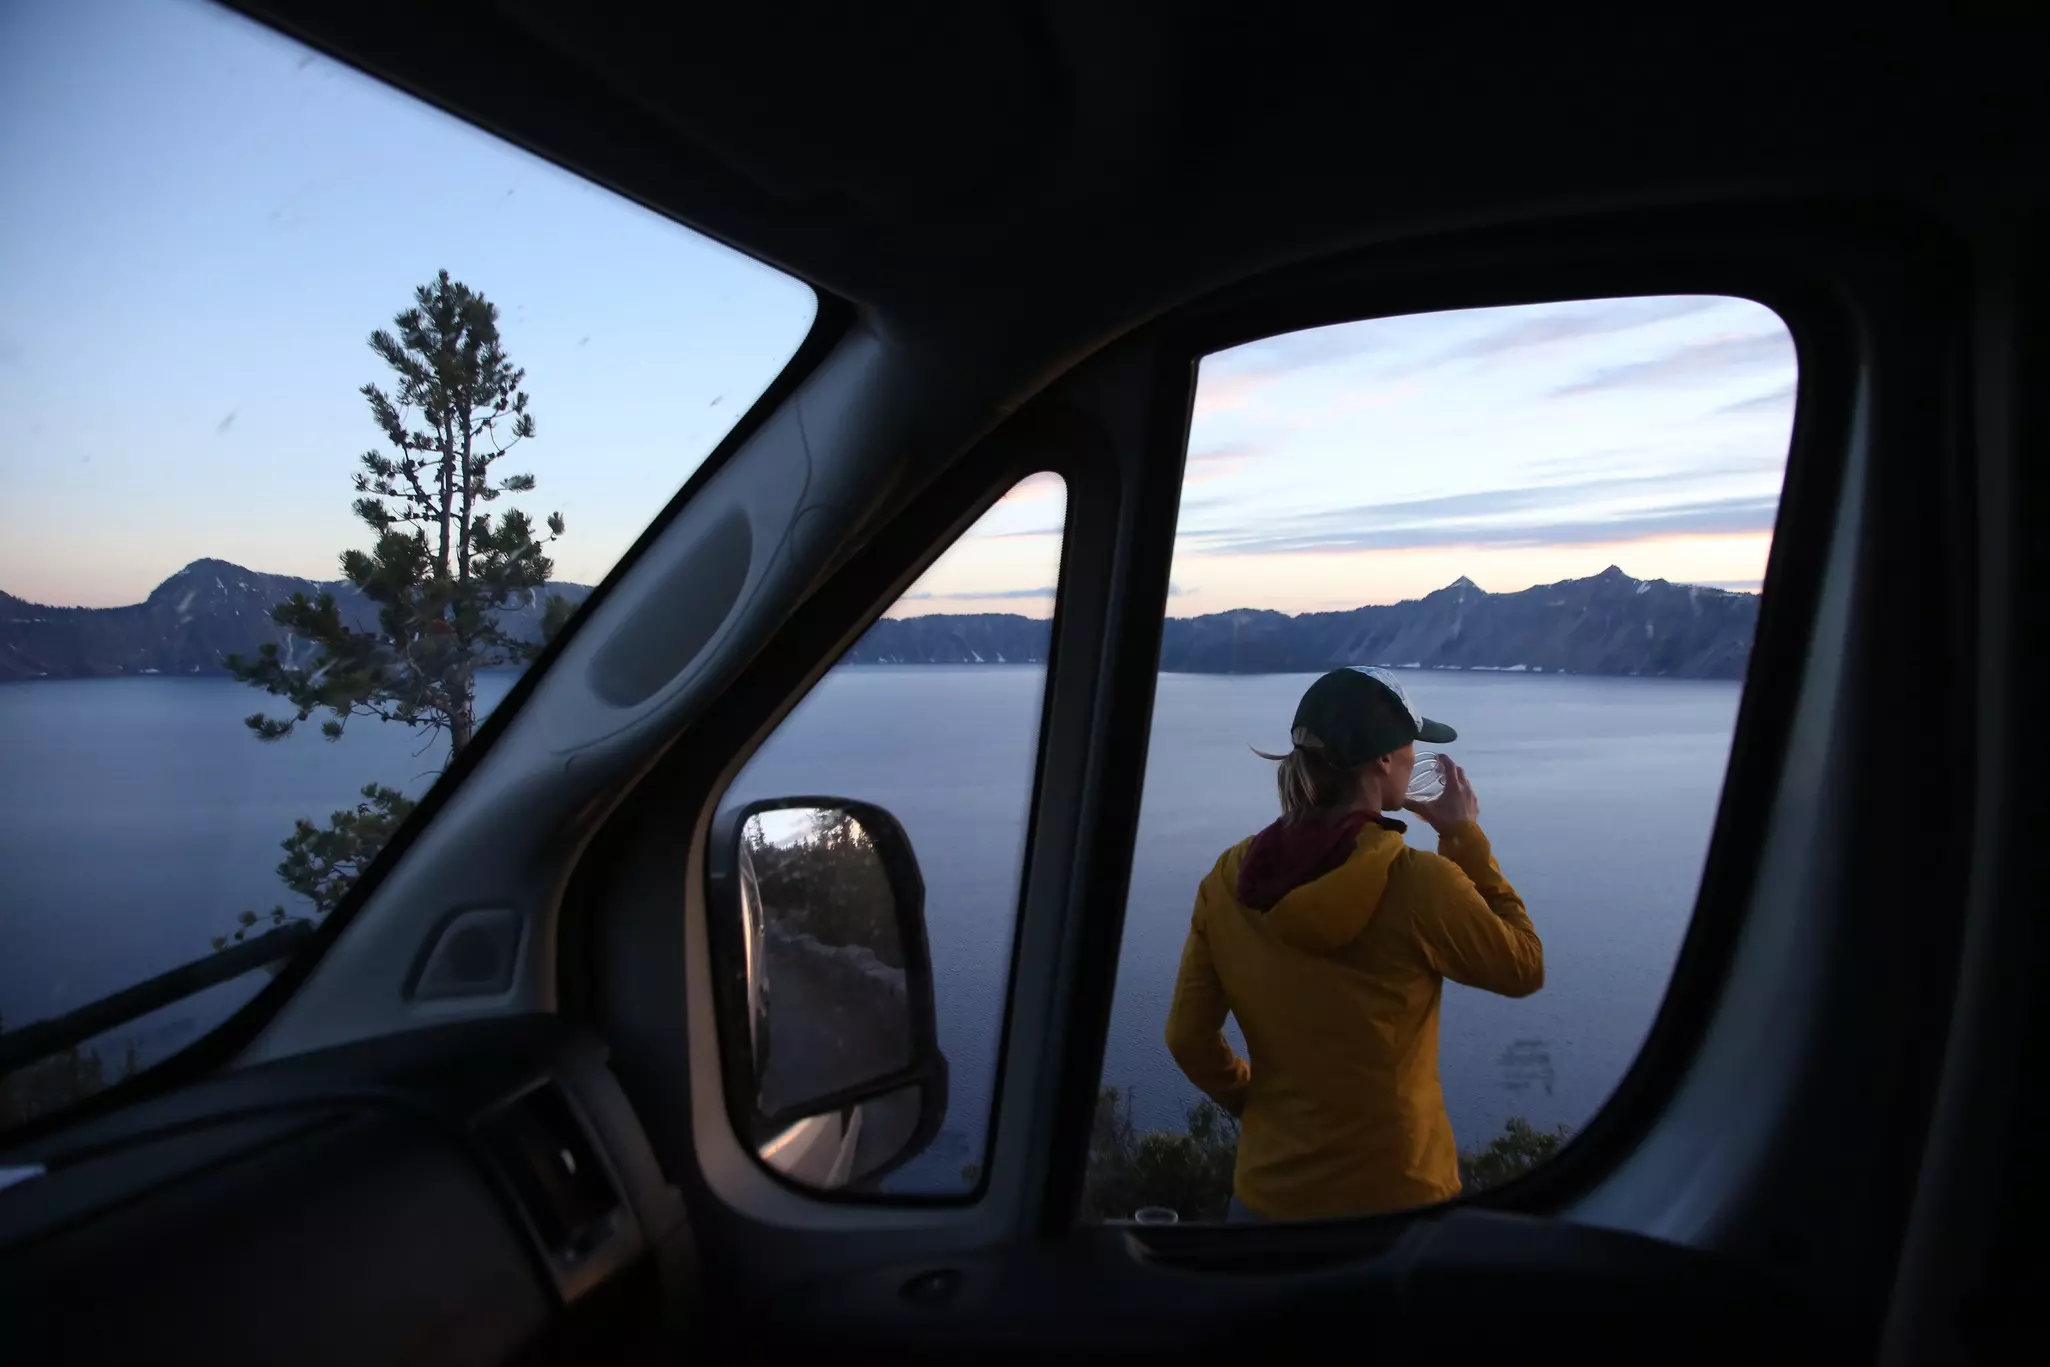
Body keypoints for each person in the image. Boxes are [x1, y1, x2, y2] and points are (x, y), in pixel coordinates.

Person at [1164, 666, 1544, 1223]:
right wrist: (1463, 836)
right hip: (1395, 1200)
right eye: (1410, 743)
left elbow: (1187, 1037)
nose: (1417, 755)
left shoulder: (1228, 879)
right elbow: (1524, 966)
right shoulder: (1416, 883)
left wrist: (1258, 1106)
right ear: (1383, 760)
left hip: (1267, 1198)